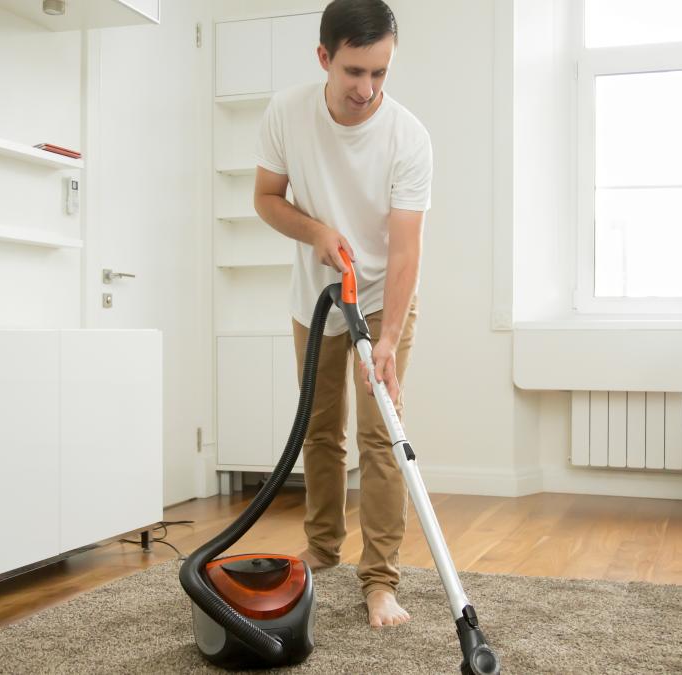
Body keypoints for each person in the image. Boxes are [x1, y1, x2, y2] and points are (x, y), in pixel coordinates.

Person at [252, 0, 432, 628]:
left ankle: (380, 581)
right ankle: (323, 551)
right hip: (318, 298)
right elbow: (267, 200)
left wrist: (385, 342)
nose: (368, 89)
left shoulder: (408, 137)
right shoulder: (287, 113)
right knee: (320, 432)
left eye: (381, 73)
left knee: (383, 434)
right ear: (324, 58)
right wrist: (317, 231)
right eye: (355, 71)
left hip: (385, 297)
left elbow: (407, 249)